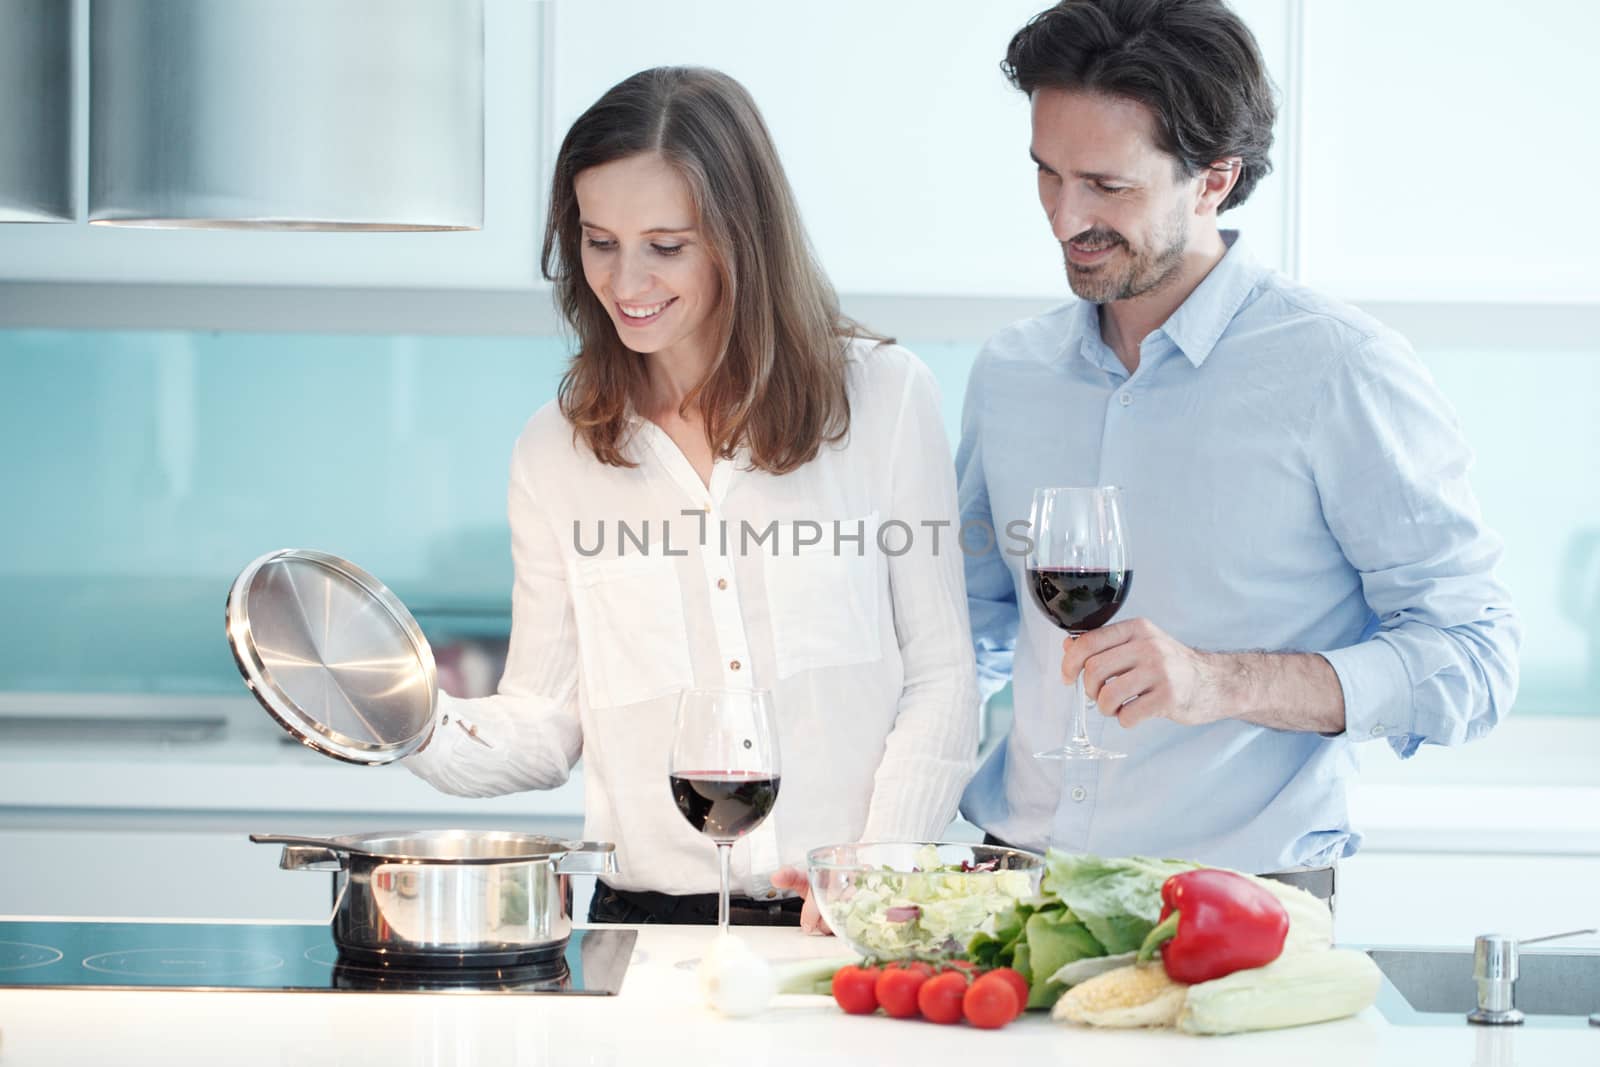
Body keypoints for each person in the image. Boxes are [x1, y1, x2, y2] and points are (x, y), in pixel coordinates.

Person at [958, 0, 1520, 890]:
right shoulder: (1011, 373)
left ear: (1212, 180)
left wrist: (1221, 682)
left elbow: (1476, 657)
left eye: (1107, 186)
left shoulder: (1340, 370)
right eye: (1047, 174)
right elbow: (965, 629)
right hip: (1008, 878)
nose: (1064, 219)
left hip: (1235, 906)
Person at [405, 67, 977, 929]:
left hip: (855, 915)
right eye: (599, 241)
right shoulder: (555, 451)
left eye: (665, 246)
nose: (625, 282)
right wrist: (400, 724)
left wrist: (882, 867)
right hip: (645, 925)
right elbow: (543, 721)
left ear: (741, 240)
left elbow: (942, 677)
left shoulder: (887, 399)